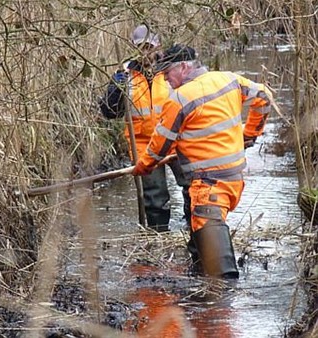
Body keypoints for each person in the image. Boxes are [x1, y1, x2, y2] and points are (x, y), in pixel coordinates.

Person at [132, 44, 272, 278]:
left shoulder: (180, 98)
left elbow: (160, 145)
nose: (166, 79)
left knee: (221, 272)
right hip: (234, 181)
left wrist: (144, 166)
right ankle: (198, 290)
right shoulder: (229, 79)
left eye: (167, 73)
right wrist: (251, 134)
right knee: (199, 248)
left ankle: (218, 308)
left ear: (184, 67)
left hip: (208, 187)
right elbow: (264, 97)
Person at [99, 25, 191, 233]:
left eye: (150, 46)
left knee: (192, 185)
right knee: (155, 195)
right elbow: (109, 112)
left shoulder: (171, 70)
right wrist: (116, 90)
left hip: (176, 140)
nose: (146, 52)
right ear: (134, 48)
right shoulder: (125, 75)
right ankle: (158, 235)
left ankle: (193, 228)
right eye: (141, 47)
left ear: (158, 46)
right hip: (144, 144)